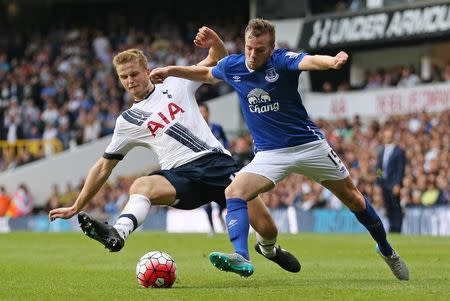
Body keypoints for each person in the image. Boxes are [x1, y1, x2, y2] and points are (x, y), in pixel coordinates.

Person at [150, 18, 409, 280]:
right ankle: (241, 256)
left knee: (353, 199)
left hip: (309, 146)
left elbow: (308, 61)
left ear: (271, 48)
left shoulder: (282, 60)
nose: (252, 54)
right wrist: (171, 70)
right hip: (270, 154)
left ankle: (387, 251)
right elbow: (207, 74)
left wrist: (330, 62)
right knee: (234, 191)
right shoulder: (234, 65)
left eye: (260, 49)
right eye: (249, 47)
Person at [48, 26, 300, 277]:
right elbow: (104, 166)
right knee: (140, 187)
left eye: (134, 74)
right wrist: (77, 204)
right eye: (124, 78)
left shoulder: (177, 82)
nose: (130, 81)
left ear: (147, 70)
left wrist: (215, 41)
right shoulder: (127, 121)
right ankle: (118, 233)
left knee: (267, 228)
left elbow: (219, 60)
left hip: (217, 164)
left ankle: (268, 250)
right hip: (182, 175)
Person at [198, 102, 227, 235]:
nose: (202, 115)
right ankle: (211, 227)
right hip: (204, 167)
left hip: (219, 165)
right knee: (206, 198)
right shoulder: (195, 129)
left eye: (204, 112)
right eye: (200, 112)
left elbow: (225, 142)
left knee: (226, 194)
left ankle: (221, 214)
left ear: (208, 113)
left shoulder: (217, 128)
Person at [376, 129, 406, 233]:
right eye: (386, 136)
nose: (387, 138)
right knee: (388, 207)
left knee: (396, 206)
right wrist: (378, 182)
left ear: (392, 137)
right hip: (384, 183)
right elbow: (379, 168)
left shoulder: (399, 151)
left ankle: (398, 228)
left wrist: (398, 184)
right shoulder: (381, 151)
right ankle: (391, 228)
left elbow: (400, 169)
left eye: (389, 136)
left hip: (393, 184)